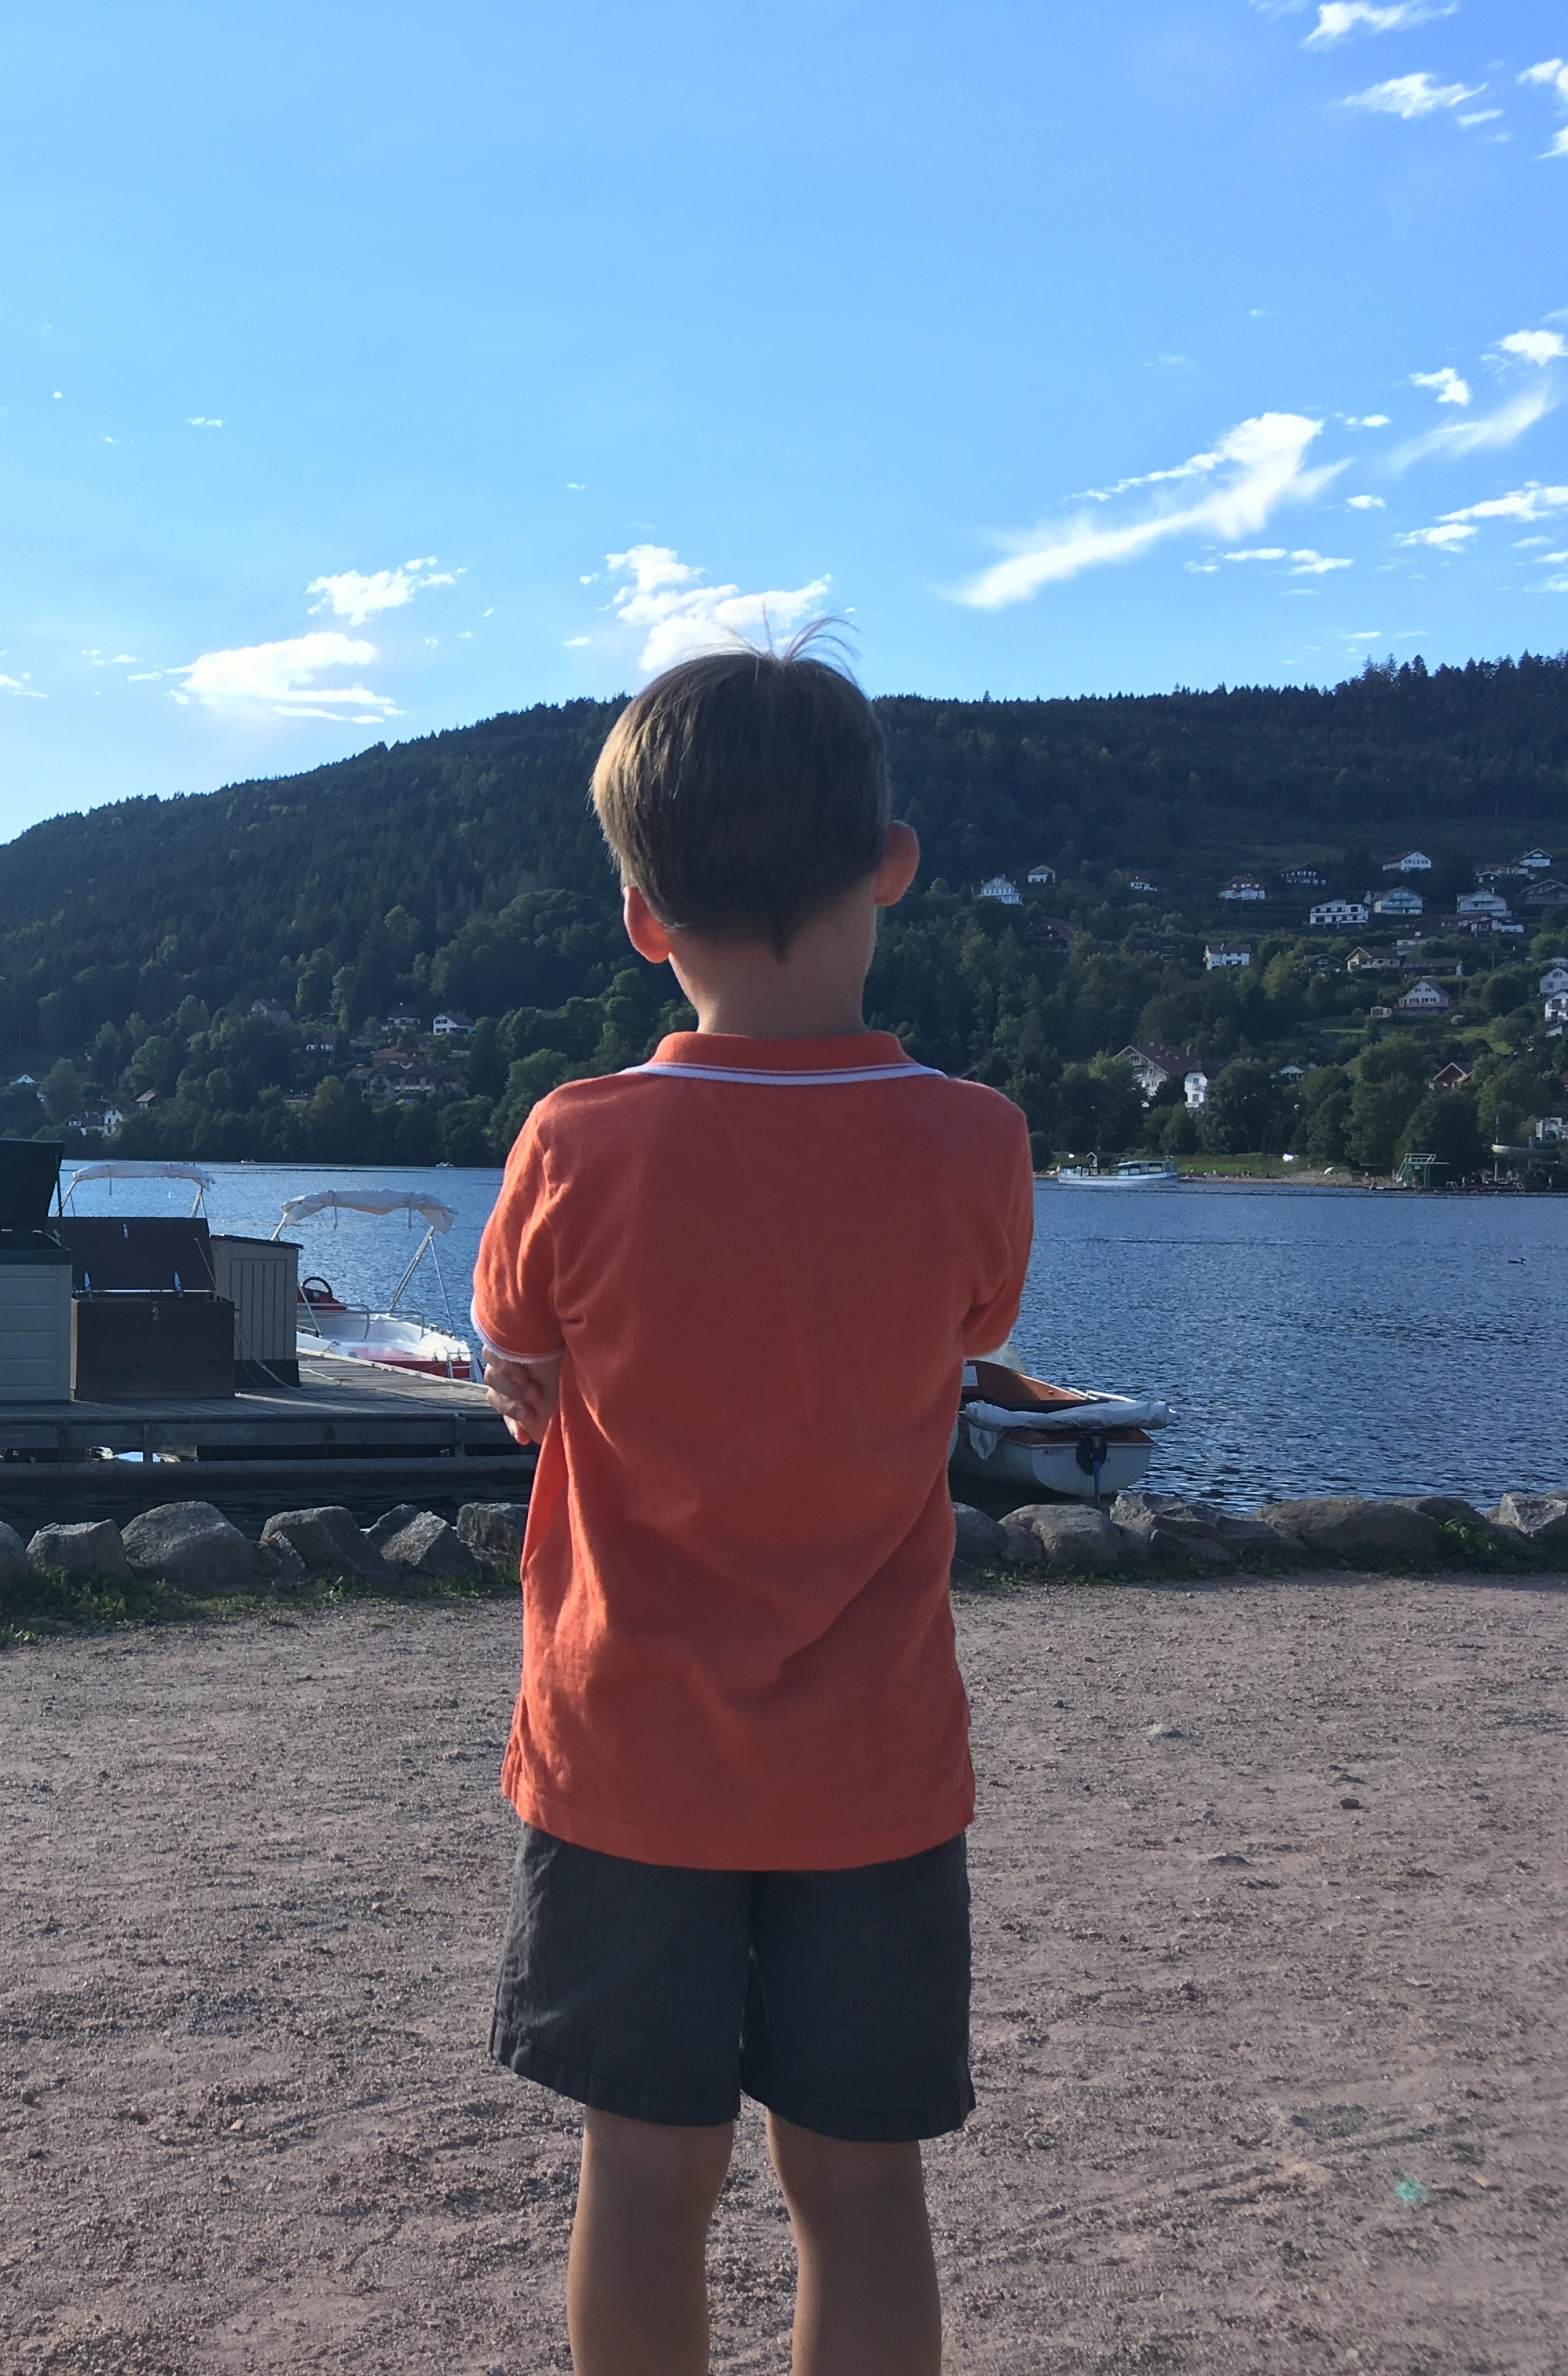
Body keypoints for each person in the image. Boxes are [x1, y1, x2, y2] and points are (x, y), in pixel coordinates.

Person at [472, 629, 1033, 2376]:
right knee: (863, 2192)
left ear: (643, 916)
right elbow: (965, 1334)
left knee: (643, 2179)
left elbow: (523, 1365)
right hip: (871, 1765)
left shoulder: (576, 1142)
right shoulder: (974, 1144)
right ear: (891, 869)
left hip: (627, 1746)